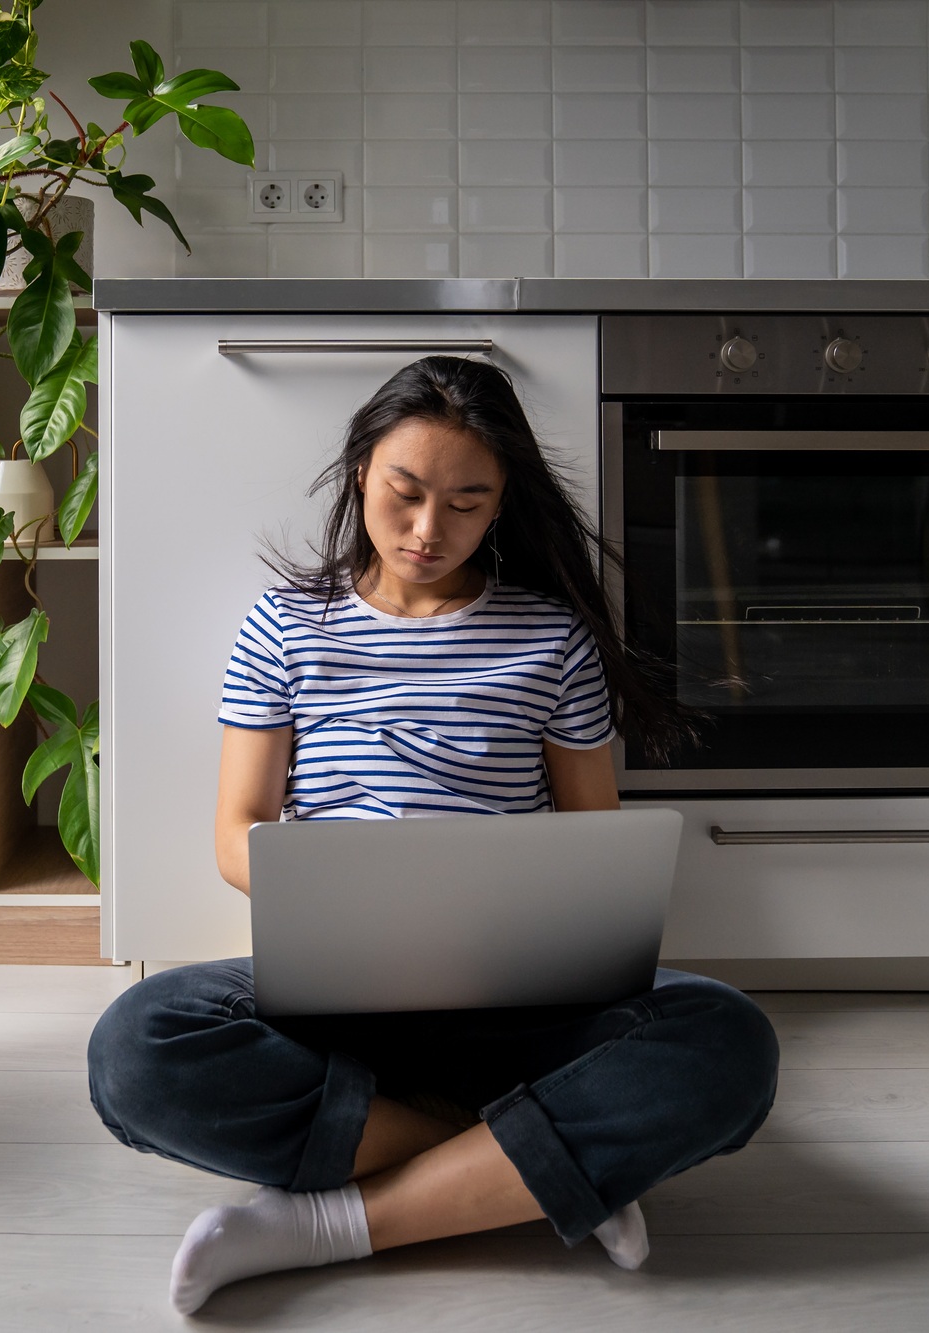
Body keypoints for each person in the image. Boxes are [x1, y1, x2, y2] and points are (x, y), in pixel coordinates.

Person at [86, 356, 780, 1313]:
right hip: (339, 999)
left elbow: (593, 846)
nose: (426, 530)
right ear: (361, 470)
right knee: (136, 1047)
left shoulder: (551, 636)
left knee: (728, 1042)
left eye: (465, 502)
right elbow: (238, 832)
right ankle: (536, 1172)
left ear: (501, 507)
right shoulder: (286, 626)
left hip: (522, 1001)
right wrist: (347, 896)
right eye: (406, 492)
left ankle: (330, 1223)